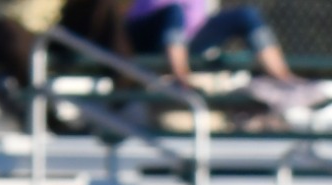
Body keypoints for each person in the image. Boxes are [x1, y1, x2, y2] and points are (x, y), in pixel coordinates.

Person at [124, 0, 325, 108]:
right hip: (148, 36)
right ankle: (182, 81)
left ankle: (284, 79)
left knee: (247, 15)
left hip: (189, 38)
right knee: (174, 12)